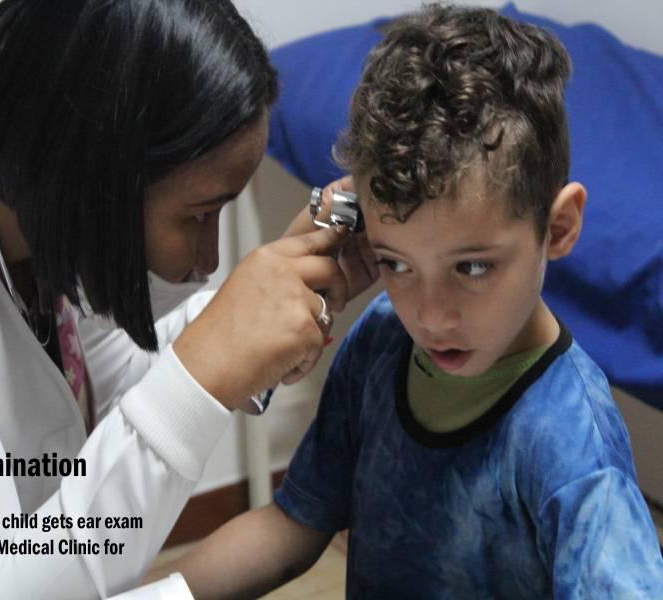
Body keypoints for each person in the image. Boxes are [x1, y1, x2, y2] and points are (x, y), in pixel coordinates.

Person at [0, 1, 378, 598]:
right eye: (198, 215)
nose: (206, 261)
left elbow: (94, 379)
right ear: (96, 170)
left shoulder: (24, 138)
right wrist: (209, 370)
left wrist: (248, 333)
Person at [148, 4, 663, 597]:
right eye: (396, 263)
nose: (430, 315)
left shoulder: (573, 442)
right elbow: (293, 525)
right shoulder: (382, 338)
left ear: (559, 227)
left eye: (472, 267)